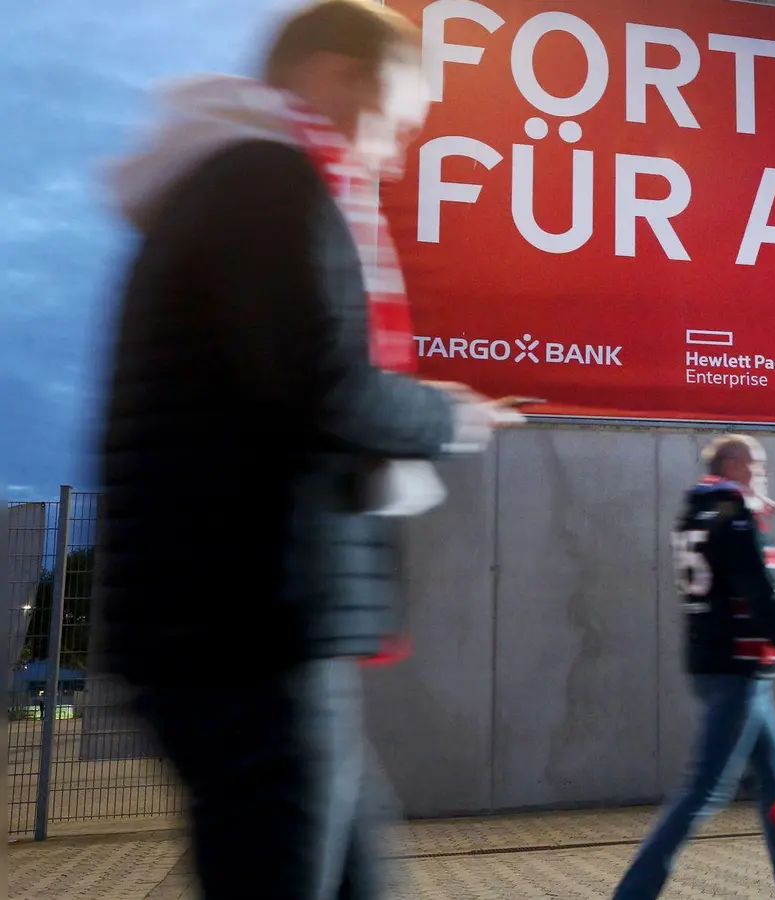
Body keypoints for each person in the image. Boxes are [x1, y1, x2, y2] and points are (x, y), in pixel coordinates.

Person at [97, 2, 507, 897]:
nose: (395, 152)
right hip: (251, 624)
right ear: (336, 74)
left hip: (238, 620)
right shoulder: (268, 180)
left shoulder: (226, 179)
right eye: (397, 118)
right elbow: (321, 386)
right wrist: (444, 417)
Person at [613, 435, 775, 900]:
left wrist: (749, 509)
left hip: (717, 667)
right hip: (738, 671)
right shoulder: (736, 518)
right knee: (704, 791)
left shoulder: (696, 512)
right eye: (756, 463)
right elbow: (764, 601)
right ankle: (632, 893)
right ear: (733, 464)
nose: (764, 472)